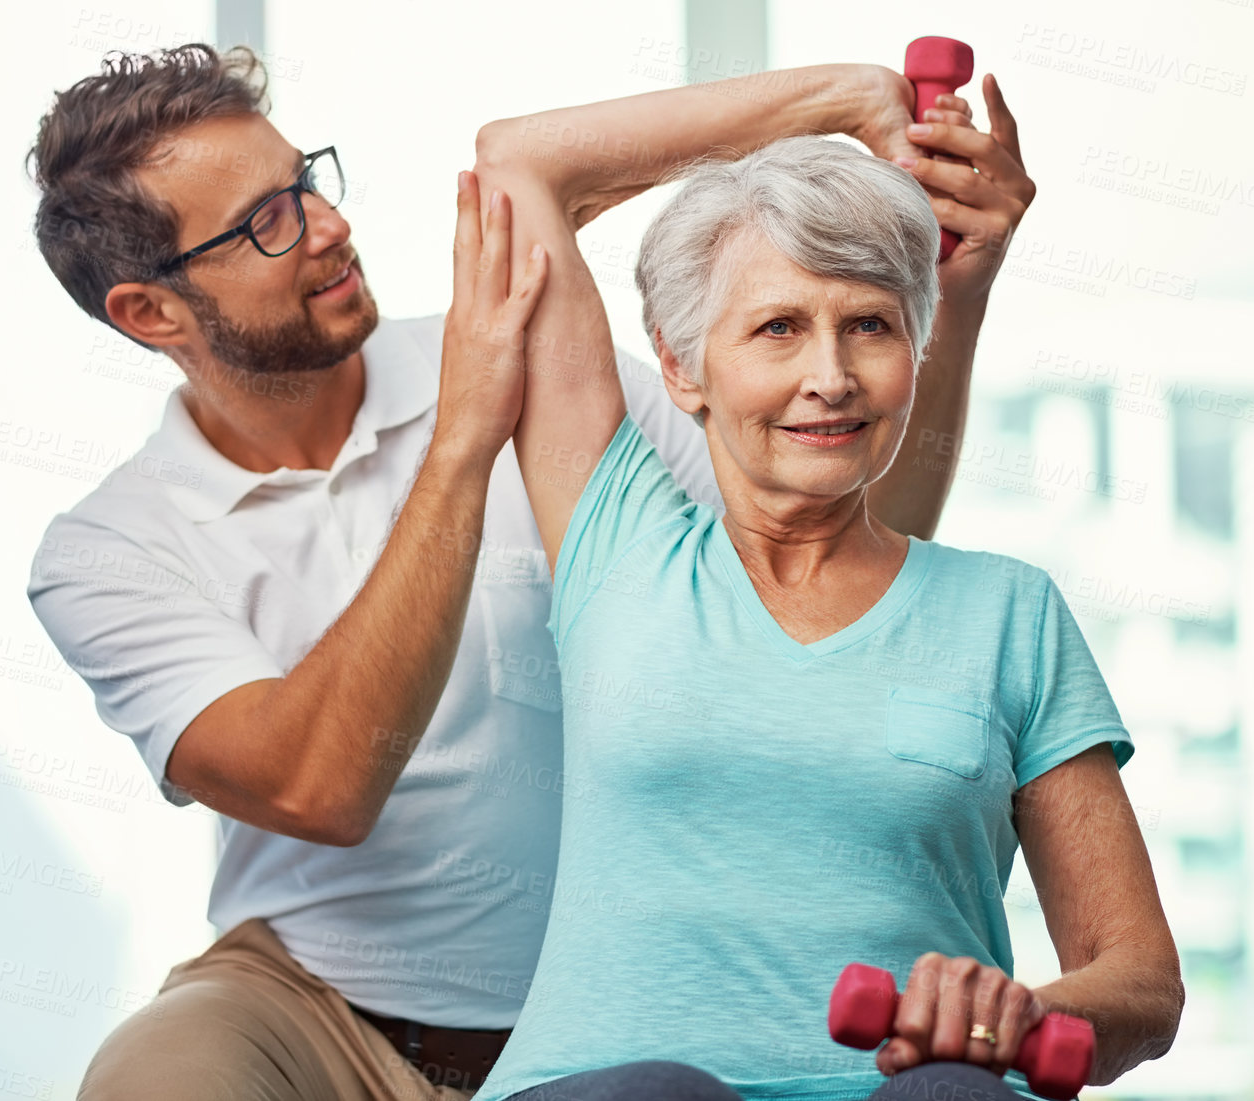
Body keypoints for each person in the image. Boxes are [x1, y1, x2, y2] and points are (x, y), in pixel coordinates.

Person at [23, 43, 1027, 1101]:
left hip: (632, 988)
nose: (326, 226)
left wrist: (943, 283)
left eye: (304, 183)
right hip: (324, 1009)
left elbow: (851, 554)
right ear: (151, 313)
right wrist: (461, 437)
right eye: (264, 221)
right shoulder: (108, 551)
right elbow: (317, 784)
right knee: (151, 1078)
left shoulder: (545, 378)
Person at [454, 91, 1183, 1101]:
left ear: (913, 356)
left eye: (869, 327)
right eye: (778, 328)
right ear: (680, 365)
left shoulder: (1006, 614)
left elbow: (1141, 981)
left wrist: (1022, 1012)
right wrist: (845, 99)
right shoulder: (615, 539)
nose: (830, 375)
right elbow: (518, 162)